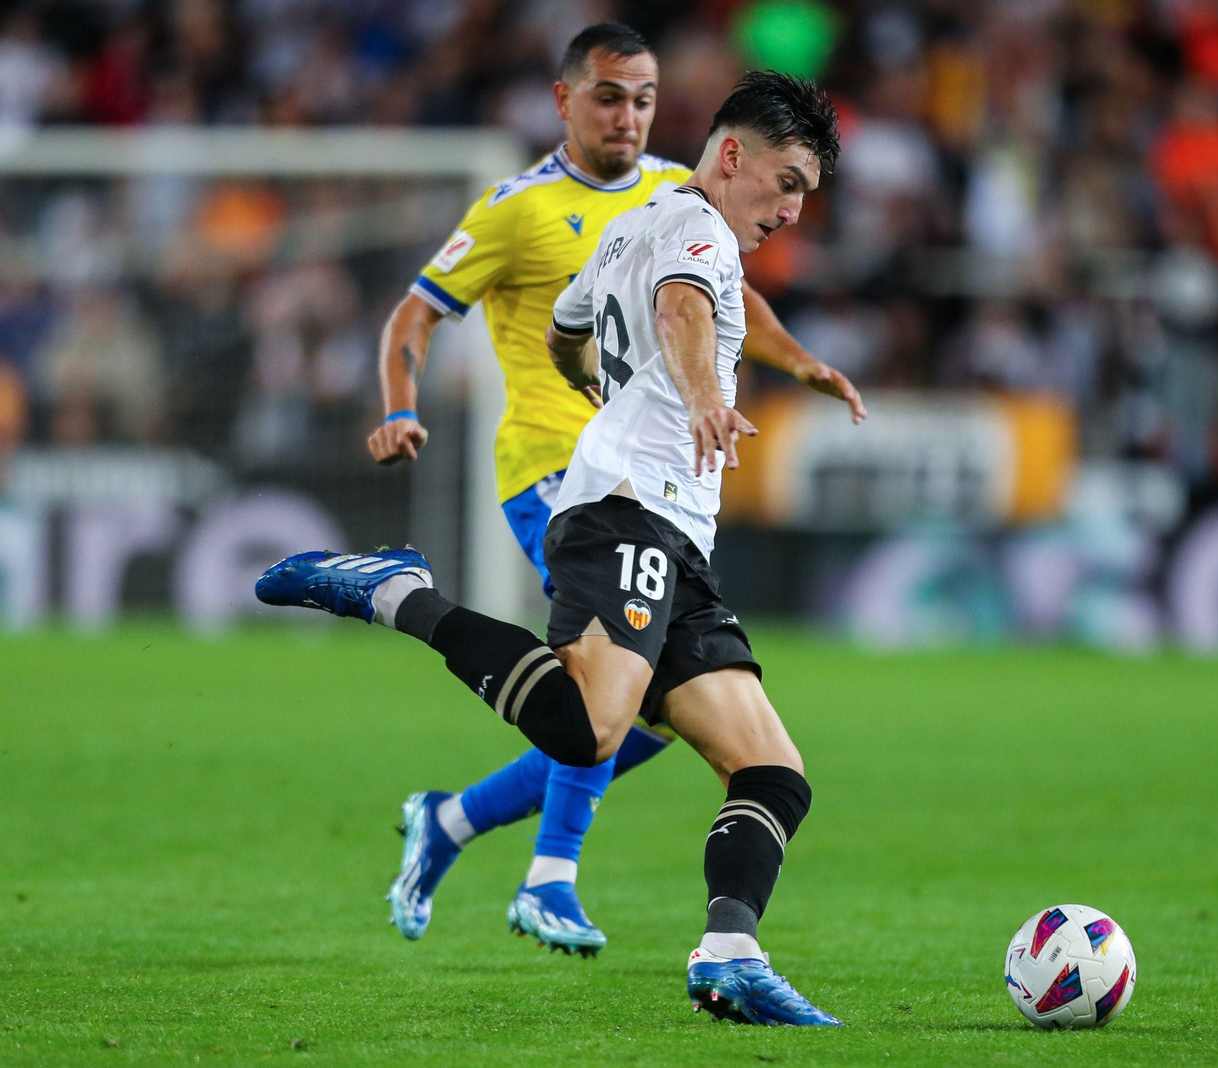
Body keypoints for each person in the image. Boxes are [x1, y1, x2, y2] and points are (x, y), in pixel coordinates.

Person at [262, 70, 845, 1026]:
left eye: (804, 195)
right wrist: (700, 394)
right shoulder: (698, 235)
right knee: (589, 731)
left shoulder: (634, 223)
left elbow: (569, 332)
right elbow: (684, 312)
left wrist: (613, 392)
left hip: (666, 531)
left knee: (773, 773)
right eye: (786, 181)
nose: (790, 209)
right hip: (628, 514)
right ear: (732, 155)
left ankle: (730, 956)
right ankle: (396, 593)